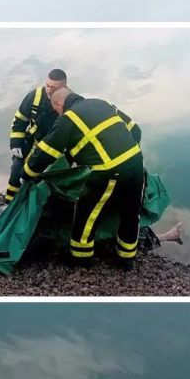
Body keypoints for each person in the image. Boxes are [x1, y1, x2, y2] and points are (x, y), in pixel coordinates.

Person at [22, 87, 144, 266]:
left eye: (55, 109)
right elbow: (135, 131)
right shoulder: (102, 103)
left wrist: (26, 174)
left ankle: (81, 257)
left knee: (87, 213)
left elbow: (46, 153)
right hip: (135, 162)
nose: (56, 113)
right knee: (130, 212)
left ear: (58, 104)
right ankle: (126, 259)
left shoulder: (68, 118)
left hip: (108, 171)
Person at [6, 69, 68, 203]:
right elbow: (20, 119)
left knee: (47, 180)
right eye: (47, 85)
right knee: (16, 171)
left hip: (56, 150)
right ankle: (8, 205)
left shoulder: (69, 102)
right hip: (33, 142)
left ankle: (38, 207)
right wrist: (15, 143)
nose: (48, 90)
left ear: (64, 87)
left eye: (53, 87)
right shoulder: (35, 96)